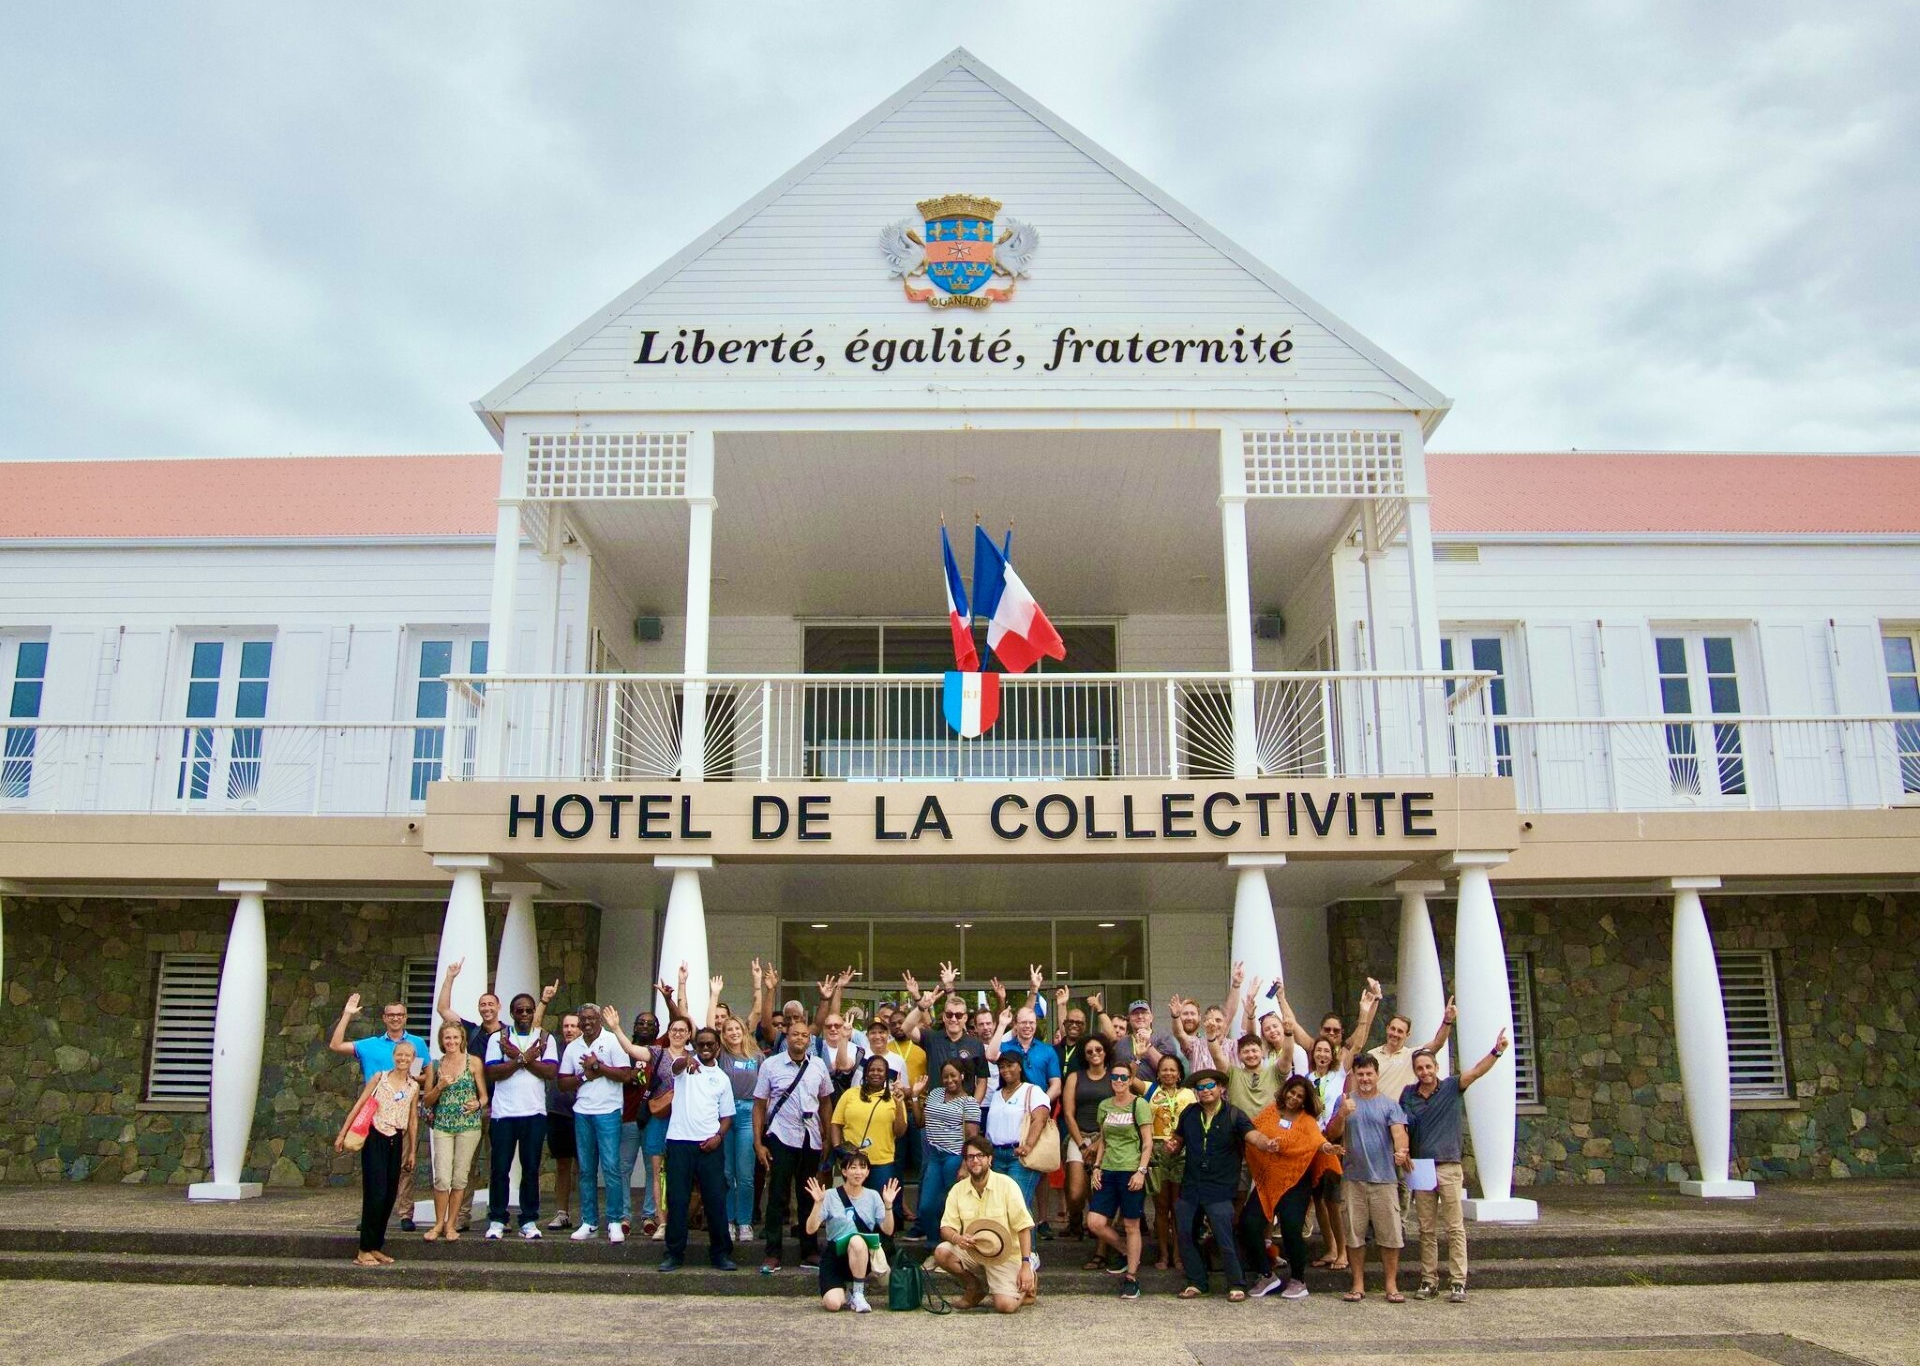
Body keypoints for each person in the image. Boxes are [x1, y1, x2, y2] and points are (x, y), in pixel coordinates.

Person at [1403, 1028, 1509, 1303]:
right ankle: (1429, 1280)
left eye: (1428, 1066)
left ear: (1436, 1067)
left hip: (1448, 1164)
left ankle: (1458, 1281)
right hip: (1421, 1166)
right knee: (1426, 1228)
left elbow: (1475, 1072)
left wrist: (1496, 1051)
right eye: (1419, 1068)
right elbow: (1401, 1126)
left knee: (1454, 1227)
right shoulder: (1408, 1095)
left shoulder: (1450, 1086)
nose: (1424, 1071)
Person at [1168, 1068, 1280, 1300]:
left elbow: (1253, 1136)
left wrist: (1267, 1144)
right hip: (1191, 1184)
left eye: (1210, 1086)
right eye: (1200, 1087)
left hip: (1219, 1187)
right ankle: (1197, 1281)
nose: (1205, 1091)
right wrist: (1173, 1147)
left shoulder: (1234, 1114)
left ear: (1221, 1088)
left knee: (1224, 1234)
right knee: (1185, 1232)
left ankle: (1236, 1283)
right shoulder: (1189, 1113)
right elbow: (1178, 1141)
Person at [327, 992, 429, 1231]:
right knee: (374, 1172)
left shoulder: (415, 1045)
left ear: (405, 1017)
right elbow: (335, 1045)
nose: (395, 1019)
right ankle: (371, 1216)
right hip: (373, 1117)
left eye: (400, 1015)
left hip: (401, 1113)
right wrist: (347, 1015)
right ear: (384, 1018)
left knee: (404, 1167)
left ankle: (405, 1213)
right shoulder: (370, 1045)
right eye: (391, 1015)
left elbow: (417, 1076)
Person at [1243, 1074, 1345, 1300]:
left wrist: (1328, 1149)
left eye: (1300, 1096)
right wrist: (1265, 1143)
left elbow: (1318, 1142)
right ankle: (1266, 1274)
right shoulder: (1271, 1111)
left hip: (1295, 1181)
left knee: (1291, 1229)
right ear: (1285, 1090)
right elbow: (1254, 1131)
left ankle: (1299, 1280)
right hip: (1267, 1180)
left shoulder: (1307, 1120)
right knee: (1249, 1224)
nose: (1294, 1098)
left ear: (1305, 1099)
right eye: (1292, 1092)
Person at [753, 1016, 837, 1275]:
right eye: (794, 1035)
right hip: (781, 1136)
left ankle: (809, 1250)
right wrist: (758, 1143)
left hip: (810, 1137)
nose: (799, 1038)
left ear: (809, 1040)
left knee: (809, 1196)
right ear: (786, 1038)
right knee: (777, 1196)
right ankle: (773, 1253)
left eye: (804, 1035)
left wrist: (826, 1137)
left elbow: (825, 1102)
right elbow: (759, 1105)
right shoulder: (770, 1065)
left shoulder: (819, 1066)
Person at [335, 1038, 419, 1267]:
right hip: (375, 1136)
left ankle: (376, 1246)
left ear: (413, 1060)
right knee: (376, 1193)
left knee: (390, 1194)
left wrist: (412, 1150)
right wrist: (343, 1133)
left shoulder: (413, 1086)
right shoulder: (379, 1078)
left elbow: (412, 1120)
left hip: (396, 1139)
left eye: (407, 1056)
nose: (403, 1059)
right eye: (399, 1055)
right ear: (394, 1056)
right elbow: (360, 1105)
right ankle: (364, 1249)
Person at [660, 1025, 738, 1272]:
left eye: (710, 1044)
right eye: (700, 1044)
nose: (705, 1048)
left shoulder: (723, 1078)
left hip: (710, 1145)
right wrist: (687, 1059)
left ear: (717, 1047)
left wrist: (718, 1136)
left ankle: (720, 1254)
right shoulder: (684, 1067)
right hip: (679, 1142)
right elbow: (676, 1067)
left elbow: (727, 1117)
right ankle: (674, 1253)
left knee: (715, 1200)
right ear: (694, 1045)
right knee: (678, 1199)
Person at [482, 991, 558, 1240]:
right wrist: (523, 1058)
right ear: (512, 1013)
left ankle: (528, 1219)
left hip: (534, 1112)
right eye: (519, 1010)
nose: (524, 1014)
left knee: (531, 1169)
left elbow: (549, 1072)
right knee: (500, 1169)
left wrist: (517, 1057)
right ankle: (497, 1218)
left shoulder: (545, 1038)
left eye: (528, 1010)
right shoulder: (498, 1038)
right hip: (504, 1113)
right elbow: (493, 1073)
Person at [557, 1002, 635, 1243]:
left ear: (599, 1019)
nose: (587, 1023)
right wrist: (584, 1075)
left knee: (611, 1167)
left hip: (609, 1111)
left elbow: (625, 1075)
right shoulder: (573, 1047)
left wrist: (598, 1066)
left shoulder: (612, 1041)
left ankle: (613, 1221)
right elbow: (562, 1083)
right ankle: (589, 1222)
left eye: (592, 1018)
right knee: (586, 1170)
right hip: (583, 1112)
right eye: (583, 1019)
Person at [934, 1133, 1038, 1314]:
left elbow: (1023, 1227)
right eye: (970, 1157)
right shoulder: (958, 1190)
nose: (975, 1161)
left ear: (990, 1159)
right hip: (974, 1252)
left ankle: (1028, 1283)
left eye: (980, 1156)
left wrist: (1026, 1265)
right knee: (942, 1252)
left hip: (1006, 1256)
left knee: (1005, 1307)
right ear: (965, 1162)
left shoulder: (1007, 1185)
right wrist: (957, 1237)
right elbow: (946, 1227)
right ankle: (975, 1288)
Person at [1338, 1052, 1410, 1302]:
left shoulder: (1390, 1104)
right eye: (1361, 1074)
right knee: (1354, 1235)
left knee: (1390, 1236)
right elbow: (1333, 1132)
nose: (1365, 1078)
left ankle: (1391, 1285)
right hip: (1353, 1179)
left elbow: (1399, 1132)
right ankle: (1357, 1284)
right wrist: (1342, 1114)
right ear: (1355, 1076)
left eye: (1369, 1073)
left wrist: (1401, 1151)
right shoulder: (1346, 1102)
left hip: (1384, 1179)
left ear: (1377, 1075)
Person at [1085, 1059, 1153, 1300]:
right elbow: (1103, 1139)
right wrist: (1096, 1167)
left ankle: (1132, 1277)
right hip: (1109, 1170)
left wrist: (1141, 1171)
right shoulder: (1105, 1105)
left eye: (1124, 1077)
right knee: (1095, 1221)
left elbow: (1147, 1142)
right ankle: (1126, 1252)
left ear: (1131, 1078)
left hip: (1131, 1170)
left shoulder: (1140, 1105)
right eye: (1115, 1077)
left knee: (1131, 1224)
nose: (1119, 1081)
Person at [804, 1152, 899, 1312]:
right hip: (835, 1255)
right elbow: (810, 1229)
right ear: (844, 1171)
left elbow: (888, 1230)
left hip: (862, 1253)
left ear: (868, 1172)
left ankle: (859, 1293)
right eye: (853, 1167)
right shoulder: (830, 1195)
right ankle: (846, 1295)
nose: (858, 1172)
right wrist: (818, 1204)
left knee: (856, 1240)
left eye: (863, 1167)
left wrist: (888, 1205)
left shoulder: (873, 1196)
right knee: (832, 1305)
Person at [422, 1020, 489, 1241]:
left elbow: (484, 1096)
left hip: (468, 1125)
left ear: (462, 1040)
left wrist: (477, 1105)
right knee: (441, 1176)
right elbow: (427, 1101)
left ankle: (451, 1224)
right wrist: (440, 1086)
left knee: (460, 1177)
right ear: (442, 1041)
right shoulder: (434, 1065)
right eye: (447, 1038)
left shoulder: (474, 1063)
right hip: (443, 1125)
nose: (451, 1041)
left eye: (455, 1037)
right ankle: (438, 1223)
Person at [829, 1054, 909, 1228]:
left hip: (882, 1162)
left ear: (887, 1074)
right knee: (850, 1207)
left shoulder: (894, 1097)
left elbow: (900, 1132)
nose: (875, 1073)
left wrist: (899, 1106)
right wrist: (837, 1148)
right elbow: (836, 1123)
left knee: (880, 1208)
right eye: (871, 1070)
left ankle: (880, 1248)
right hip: (852, 1162)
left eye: (880, 1070)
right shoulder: (850, 1094)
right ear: (865, 1073)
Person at [912, 1057, 981, 1242]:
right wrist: (915, 1096)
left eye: (953, 1076)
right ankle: (935, 1247)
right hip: (934, 1156)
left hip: (955, 1158)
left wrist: (965, 1166)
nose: (949, 1080)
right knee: (926, 1206)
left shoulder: (970, 1103)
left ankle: (954, 1248)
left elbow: (972, 1138)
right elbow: (920, 1122)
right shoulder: (935, 1094)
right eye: (945, 1077)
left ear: (962, 1076)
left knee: (950, 1206)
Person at [1140, 1052, 1193, 1270]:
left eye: (1172, 1069)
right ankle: (1163, 1254)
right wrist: (1137, 1056)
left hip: (1182, 1151)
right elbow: (1129, 1078)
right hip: (1157, 1150)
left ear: (1179, 1073)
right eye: (1164, 1070)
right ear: (1158, 1073)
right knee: (1161, 1207)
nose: (1168, 1073)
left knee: (1178, 1206)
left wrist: (1182, 1143)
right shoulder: (1150, 1091)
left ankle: (1179, 1254)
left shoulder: (1190, 1094)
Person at [982, 1052, 1051, 1215]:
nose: (1005, 1070)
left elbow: (1039, 1119)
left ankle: (1028, 1242)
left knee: (1018, 1206)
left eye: (1010, 1065)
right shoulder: (997, 1095)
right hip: (996, 1156)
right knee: (1000, 1206)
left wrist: (1028, 1145)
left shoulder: (1032, 1091)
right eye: (1002, 1067)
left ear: (1020, 1067)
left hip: (1020, 1156)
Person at [716, 1014, 764, 1245]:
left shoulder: (757, 1056)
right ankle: (728, 1219)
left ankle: (744, 1221)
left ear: (744, 1031)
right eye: (728, 1030)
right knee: (726, 1173)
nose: (733, 1032)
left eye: (737, 1028)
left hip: (749, 1112)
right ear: (723, 1034)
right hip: (724, 1113)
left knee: (745, 1174)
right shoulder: (720, 1055)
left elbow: (766, 1089)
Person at [1304, 1034, 1349, 1270]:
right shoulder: (1306, 1079)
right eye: (1318, 1050)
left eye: (1326, 1051)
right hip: (1312, 1143)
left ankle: (1343, 1251)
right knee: (1318, 1198)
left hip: (1331, 1140)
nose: (1322, 1055)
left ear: (1332, 1055)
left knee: (1333, 1200)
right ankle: (1330, 1248)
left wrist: (1365, 1013)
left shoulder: (1338, 1076)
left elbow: (1358, 1043)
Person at [1064, 1034, 1111, 1249]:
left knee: (1098, 1190)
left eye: (1098, 1050)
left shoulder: (1113, 1077)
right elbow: (1068, 1113)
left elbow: (1120, 1110)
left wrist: (1097, 1143)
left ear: (1105, 1051)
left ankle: (1096, 1228)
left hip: (1106, 1138)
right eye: (1090, 1051)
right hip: (1078, 1136)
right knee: (1076, 1193)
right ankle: (1075, 1218)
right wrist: (1083, 1144)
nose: (1095, 1054)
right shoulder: (1075, 1077)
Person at [542, 1010, 581, 1230]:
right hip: (558, 1112)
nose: (569, 1030)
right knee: (563, 1165)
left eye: (573, 1026)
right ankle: (562, 1213)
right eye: (566, 1026)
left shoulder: (588, 1048)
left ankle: (589, 1216)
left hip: (584, 1112)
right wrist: (545, 1002)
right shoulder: (554, 1047)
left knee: (586, 1165)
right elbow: (537, 1027)